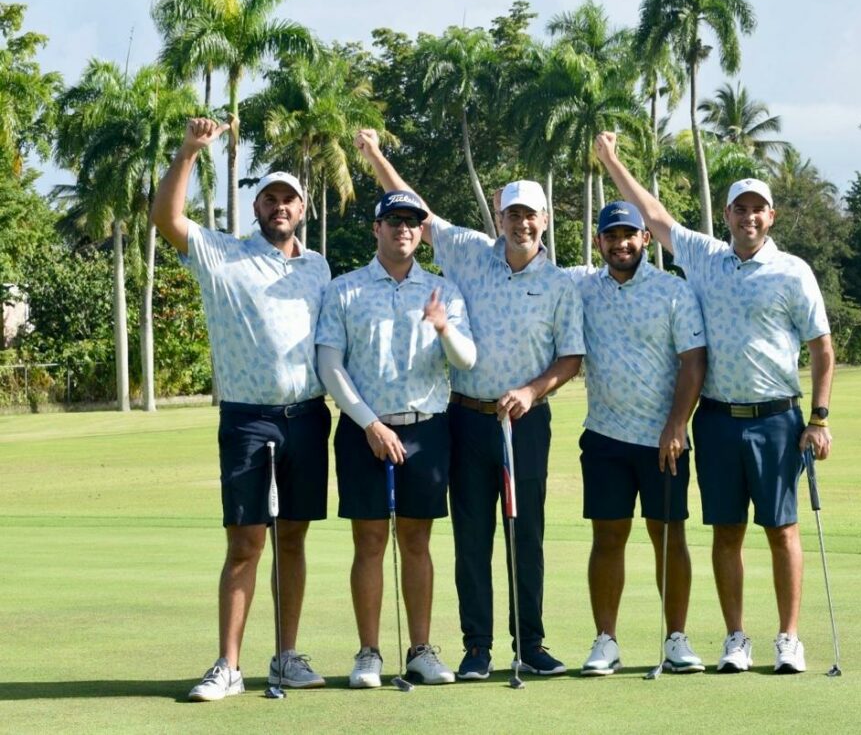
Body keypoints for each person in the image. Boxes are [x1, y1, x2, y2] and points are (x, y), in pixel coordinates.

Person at [594, 131, 835, 675]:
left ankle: (788, 639)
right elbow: (653, 217)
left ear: (770, 216)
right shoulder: (704, 257)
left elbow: (822, 346)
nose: (748, 218)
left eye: (757, 209)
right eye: (739, 209)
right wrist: (612, 160)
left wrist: (818, 418)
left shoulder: (793, 271)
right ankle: (735, 639)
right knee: (727, 532)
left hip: (778, 418)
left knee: (782, 530)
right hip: (719, 420)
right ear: (726, 214)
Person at [355, 129, 584, 680]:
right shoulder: (469, 253)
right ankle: (477, 647)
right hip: (466, 418)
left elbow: (571, 357)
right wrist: (377, 157)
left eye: (531, 215)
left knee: (524, 535)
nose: (521, 224)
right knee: (472, 534)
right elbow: (418, 214)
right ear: (499, 220)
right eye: (512, 215)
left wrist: (531, 391)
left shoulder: (560, 284)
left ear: (545, 220)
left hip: (525, 423)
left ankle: (530, 643)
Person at [151, 118, 332, 702]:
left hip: (307, 416)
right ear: (256, 206)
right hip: (248, 418)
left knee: (295, 538)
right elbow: (166, 220)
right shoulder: (221, 254)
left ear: (301, 210)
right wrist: (188, 152)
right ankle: (228, 665)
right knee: (246, 541)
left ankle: (284, 657)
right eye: (271, 198)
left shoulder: (318, 267)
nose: (280, 207)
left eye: (289, 199)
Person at [316, 188, 477, 687]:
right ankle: (369, 653)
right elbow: (329, 364)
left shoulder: (443, 293)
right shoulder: (344, 289)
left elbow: (465, 360)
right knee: (368, 541)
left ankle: (421, 649)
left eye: (412, 221)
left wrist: (443, 328)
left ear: (420, 231)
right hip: (364, 430)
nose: (404, 229)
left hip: (427, 429)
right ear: (377, 229)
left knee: (416, 540)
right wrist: (369, 423)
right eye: (394, 221)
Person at [566, 200, 708, 676]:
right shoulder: (581, 288)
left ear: (645, 239)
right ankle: (605, 640)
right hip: (605, 435)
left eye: (630, 234)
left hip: (662, 439)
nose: (621, 243)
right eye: (611, 235)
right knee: (607, 537)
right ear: (598, 242)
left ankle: (675, 638)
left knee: (668, 535)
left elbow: (693, 361)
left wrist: (676, 424)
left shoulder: (673, 291)